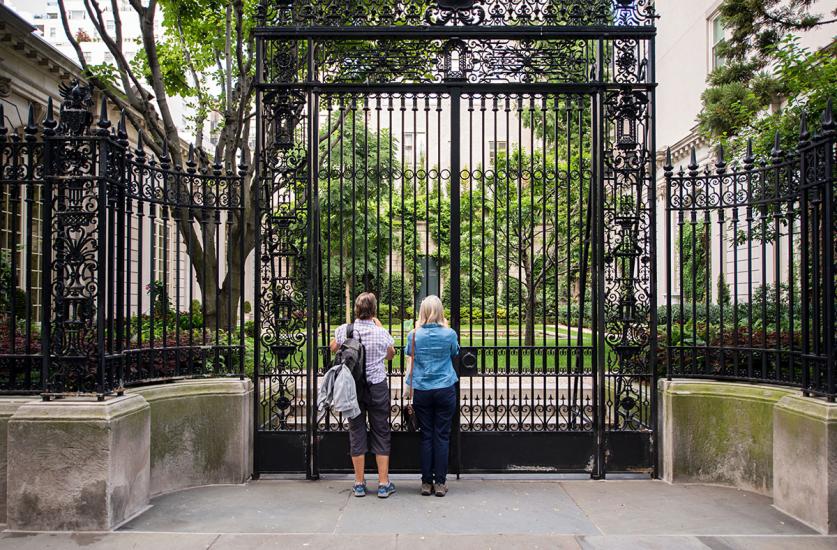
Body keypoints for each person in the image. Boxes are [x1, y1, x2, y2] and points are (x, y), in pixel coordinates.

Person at [330, 292, 397, 498]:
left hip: (353, 387)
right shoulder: (381, 332)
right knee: (381, 430)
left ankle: (359, 482)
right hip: (376, 385)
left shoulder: (344, 330)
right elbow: (391, 354)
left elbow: (333, 349)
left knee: (356, 430)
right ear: (374, 310)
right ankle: (384, 483)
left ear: (357, 310)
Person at [405, 295, 460, 497]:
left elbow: (408, 354)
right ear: (440, 311)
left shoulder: (414, 335)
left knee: (426, 435)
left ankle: (426, 482)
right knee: (442, 435)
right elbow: (455, 352)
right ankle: (440, 482)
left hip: (422, 389)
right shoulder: (449, 334)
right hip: (445, 387)